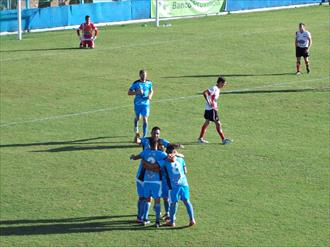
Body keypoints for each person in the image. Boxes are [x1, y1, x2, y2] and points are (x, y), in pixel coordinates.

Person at [140, 126, 184, 220]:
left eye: (158, 133)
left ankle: (167, 214)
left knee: (164, 197)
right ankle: (160, 213)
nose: (156, 135)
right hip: (158, 178)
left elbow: (174, 150)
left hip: (163, 178)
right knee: (158, 197)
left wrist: (176, 154)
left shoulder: (164, 154)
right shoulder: (160, 154)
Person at [148, 144, 196, 227]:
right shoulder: (181, 159)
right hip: (184, 183)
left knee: (173, 202)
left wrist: (145, 163)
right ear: (174, 151)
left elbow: (154, 166)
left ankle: (172, 221)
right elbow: (185, 171)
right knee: (186, 201)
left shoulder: (165, 161)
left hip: (173, 186)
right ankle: (192, 219)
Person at [130, 139, 168, 228]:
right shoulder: (161, 154)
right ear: (157, 144)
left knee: (147, 199)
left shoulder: (145, 152)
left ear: (149, 145)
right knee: (157, 200)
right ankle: (157, 222)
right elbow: (169, 159)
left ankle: (145, 219)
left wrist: (132, 156)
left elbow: (135, 157)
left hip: (146, 180)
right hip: (156, 181)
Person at [198, 76, 232, 145]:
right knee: (218, 123)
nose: (224, 85)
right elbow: (205, 92)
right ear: (220, 82)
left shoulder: (217, 89)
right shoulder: (214, 88)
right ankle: (223, 139)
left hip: (209, 109)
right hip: (211, 110)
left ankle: (200, 138)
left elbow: (212, 98)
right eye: (223, 84)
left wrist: (213, 104)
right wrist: (209, 102)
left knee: (207, 122)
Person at [128, 70, 153, 143]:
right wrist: (136, 92)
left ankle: (144, 137)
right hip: (138, 104)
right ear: (140, 75)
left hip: (146, 104)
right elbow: (129, 92)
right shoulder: (136, 83)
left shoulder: (149, 82)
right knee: (138, 118)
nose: (144, 76)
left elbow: (151, 90)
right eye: (143, 75)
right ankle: (136, 128)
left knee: (145, 119)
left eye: (145, 75)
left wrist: (150, 96)